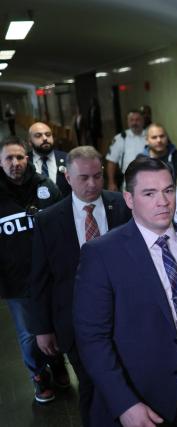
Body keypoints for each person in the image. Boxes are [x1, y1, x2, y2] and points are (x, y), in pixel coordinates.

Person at [73, 156, 177, 426]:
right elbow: (92, 338)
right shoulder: (102, 255)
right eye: (149, 193)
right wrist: (125, 403)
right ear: (129, 199)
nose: (163, 201)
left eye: (168, 190)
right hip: (143, 397)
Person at [29, 146, 131, 425]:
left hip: (125, 316)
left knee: (129, 380)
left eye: (97, 176)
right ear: (67, 177)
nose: (92, 184)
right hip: (75, 324)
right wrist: (42, 328)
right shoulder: (48, 220)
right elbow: (39, 280)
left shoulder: (122, 206)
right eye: (84, 177)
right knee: (92, 385)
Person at [0, 136, 65, 404]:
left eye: (19, 157)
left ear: (27, 158)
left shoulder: (46, 187)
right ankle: (39, 376)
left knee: (57, 327)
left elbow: (63, 225)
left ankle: (58, 364)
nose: (15, 163)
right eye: (9, 158)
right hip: (16, 280)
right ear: (0, 162)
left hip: (50, 276)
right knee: (29, 335)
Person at [105, 109, 146, 191]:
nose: (134, 123)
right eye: (131, 120)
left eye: (137, 120)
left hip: (150, 178)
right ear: (127, 122)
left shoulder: (150, 136)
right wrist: (111, 183)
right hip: (128, 180)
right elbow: (112, 162)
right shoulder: (120, 138)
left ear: (143, 121)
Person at [27, 122, 72, 196]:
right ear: (30, 142)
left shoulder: (68, 158)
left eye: (48, 135)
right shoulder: (25, 162)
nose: (45, 138)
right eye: (38, 136)